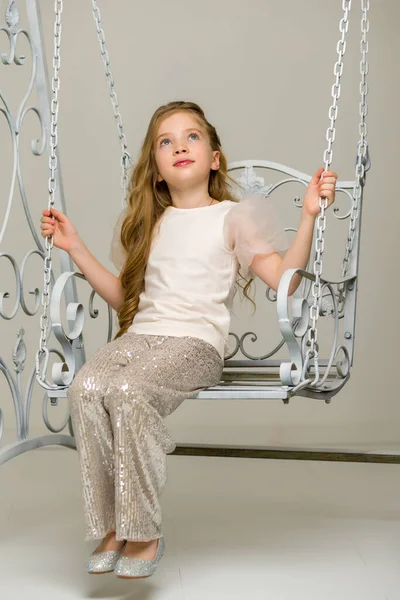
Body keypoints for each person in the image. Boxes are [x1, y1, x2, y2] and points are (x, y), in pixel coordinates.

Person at [40, 100, 338, 579]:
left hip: (195, 345)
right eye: (165, 141)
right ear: (156, 170)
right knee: (86, 387)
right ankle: (113, 523)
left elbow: (285, 277)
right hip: (143, 336)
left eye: (191, 136)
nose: (179, 145)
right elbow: (125, 298)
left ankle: (143, 528)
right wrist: (74, 247)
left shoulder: (233, 218)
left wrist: (307, 216)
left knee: (127, 391)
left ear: (214, 158)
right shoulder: (150, 225)